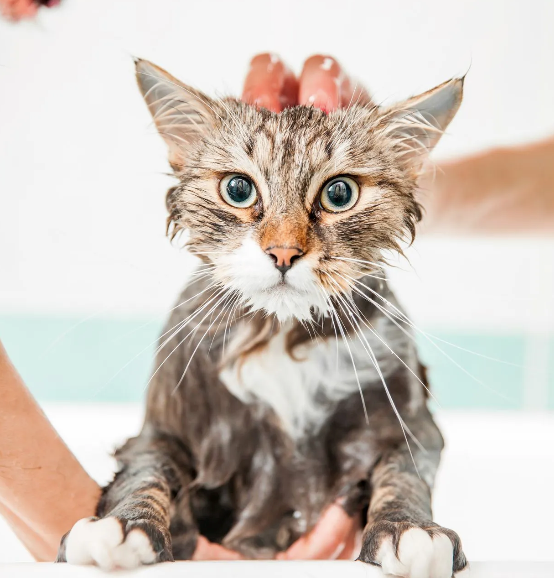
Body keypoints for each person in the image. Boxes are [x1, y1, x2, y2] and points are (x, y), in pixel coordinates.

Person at [1, 42, 553, 562]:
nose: (284, 245)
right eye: (239, 190)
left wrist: (388, 164)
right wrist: (118, 515)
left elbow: (406, 441)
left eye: (339, 193)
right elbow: (164, 442)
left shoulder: (380, 328)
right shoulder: (193, 325)